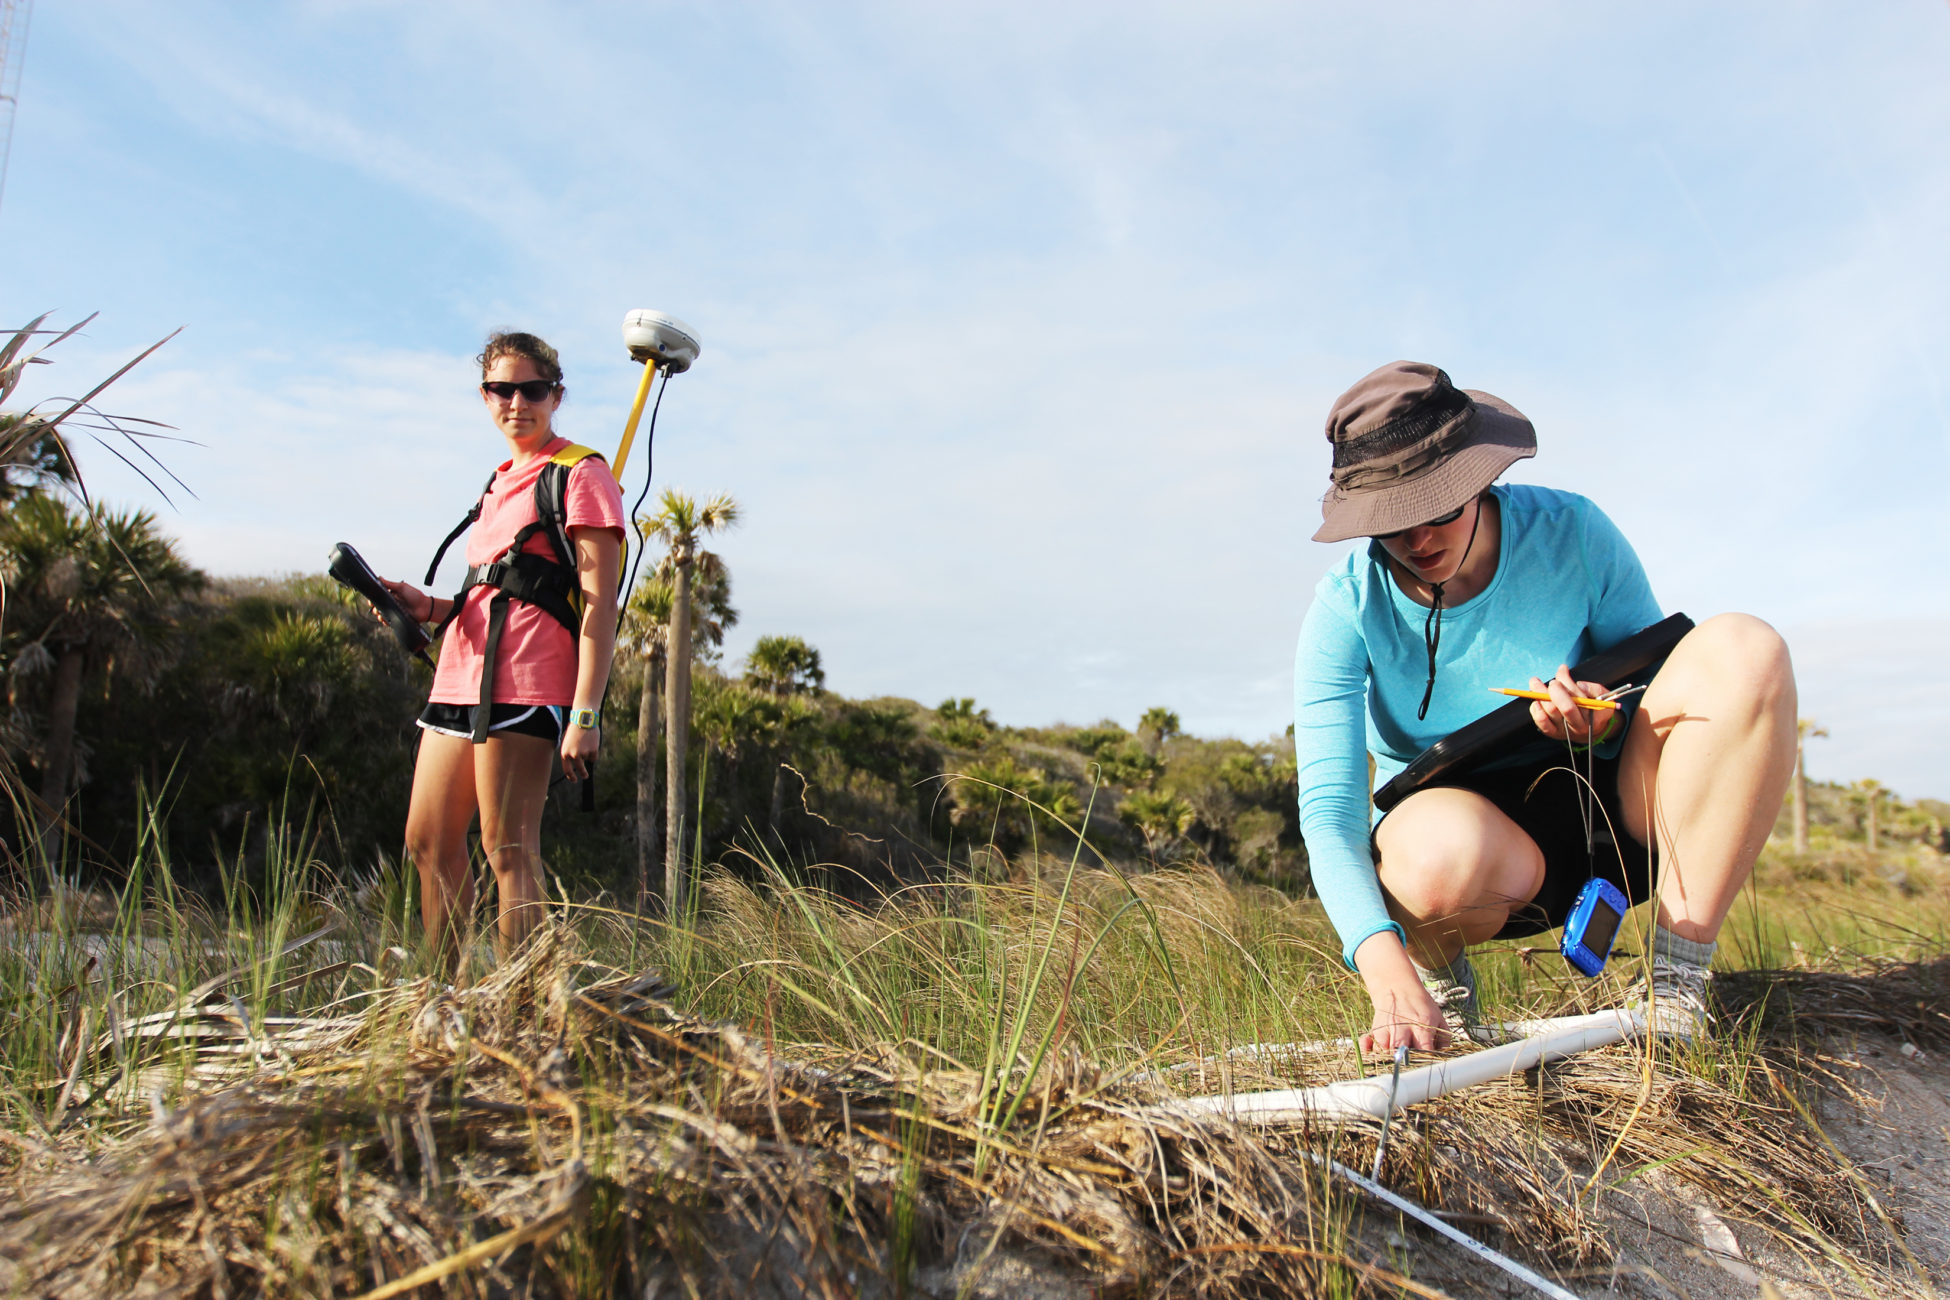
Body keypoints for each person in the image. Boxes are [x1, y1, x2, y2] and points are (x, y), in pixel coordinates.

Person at [1292, 361, 1796, 1053]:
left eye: (1440, 508)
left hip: (1618, 812)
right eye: (1391, 523)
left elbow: (1668, 686)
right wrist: (1386, 972)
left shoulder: (1574, 533)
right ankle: (1441, 995)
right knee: (1430, 856)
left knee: (1747, 647)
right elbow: (1329, 815)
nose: (1420, 541)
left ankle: (1678, 985)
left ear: (1477, 478)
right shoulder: (1346, 606)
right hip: (1475, 857)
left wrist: (1607, 717)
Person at [378, 332, 625, 968]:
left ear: (556, 395)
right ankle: (443, 1000)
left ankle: (522, 1011)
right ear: (485, 397)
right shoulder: (499, 479)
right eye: (501, 390)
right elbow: (494, 590)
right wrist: (425, 605)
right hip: (458, 679)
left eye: (532, 389)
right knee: (428, 840)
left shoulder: (583, 474)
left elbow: (599, 607)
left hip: (528, 682)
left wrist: (586, 713)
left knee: (508, 846)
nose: (517, 402)